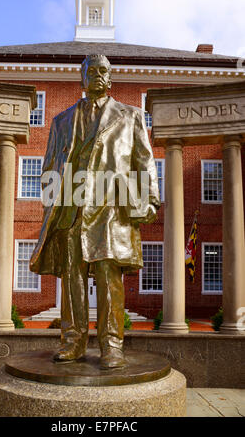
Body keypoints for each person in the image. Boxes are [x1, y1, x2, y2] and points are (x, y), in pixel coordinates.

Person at [30, 54, 160, 369]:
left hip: (111, 209)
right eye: (92, 70)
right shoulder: (61, 120)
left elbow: (144, 161)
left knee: (108, 278)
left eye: (104, 71)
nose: (98, 75)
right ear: (82, 77)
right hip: (70, 208)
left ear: (110, 78)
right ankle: (72, 343)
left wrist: (151, 199)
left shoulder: (130, 116)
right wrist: (52, 205)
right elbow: (49, 165)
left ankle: (111, 347)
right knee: (72, 278)